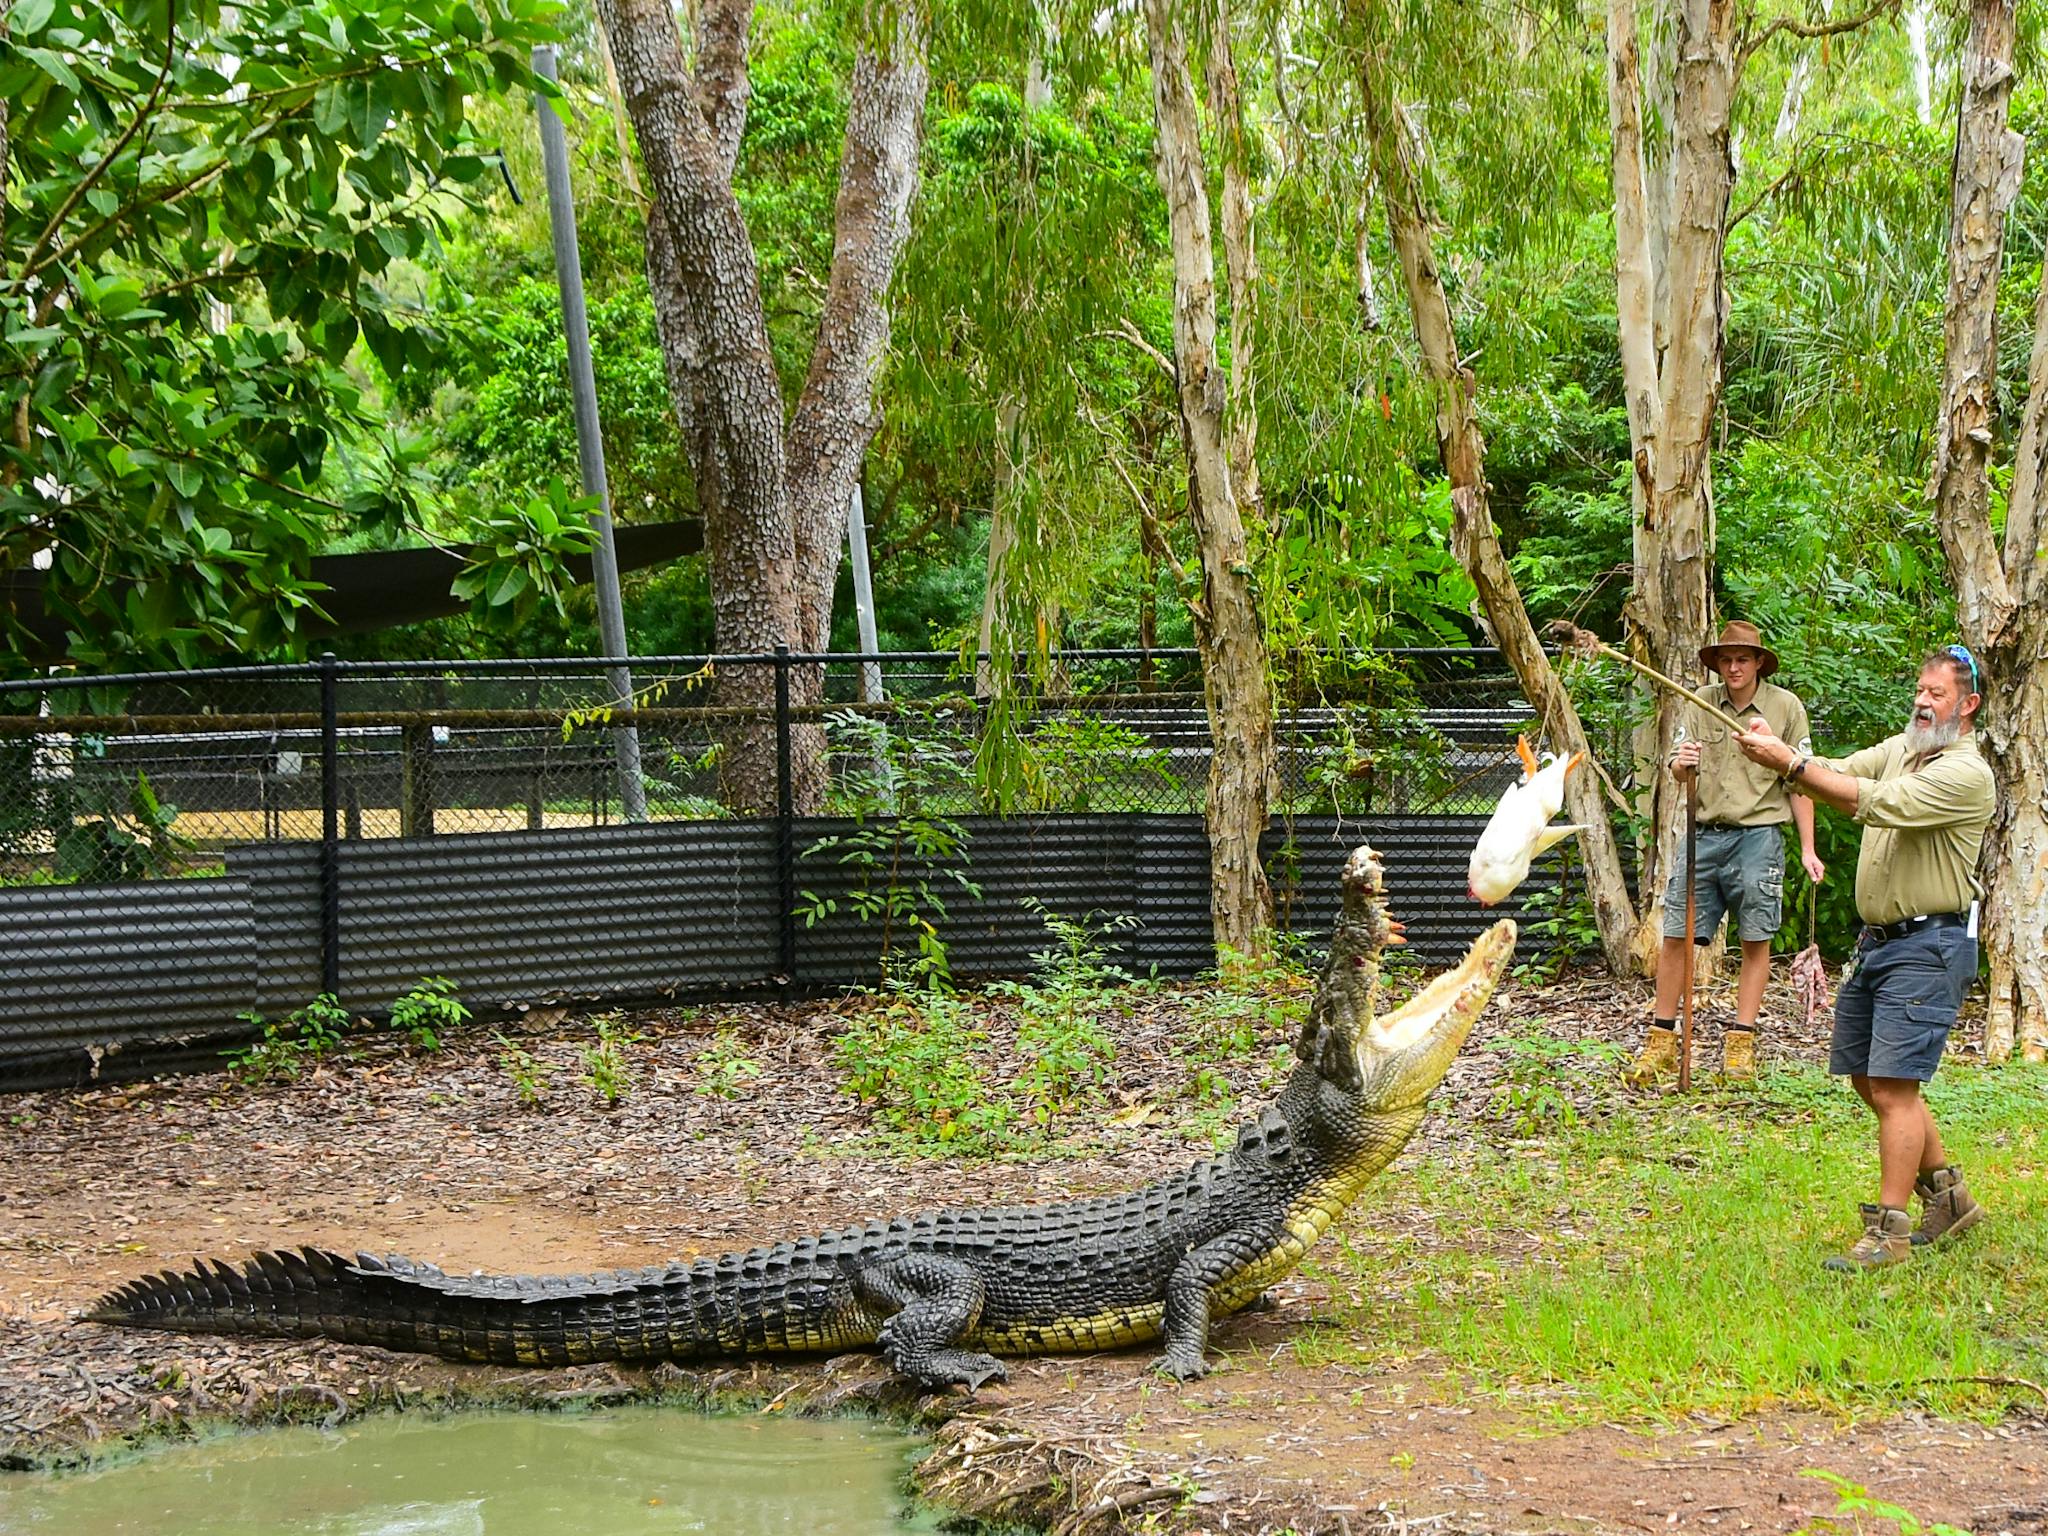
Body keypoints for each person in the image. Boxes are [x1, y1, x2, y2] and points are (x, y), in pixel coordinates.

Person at [1734, 645, 1995, 1272]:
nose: (1922, 701)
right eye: (1920, 690)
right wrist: (1781, 749)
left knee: (1893, 1086)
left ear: (1968, 705)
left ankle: (1889, 1232)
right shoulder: (1903, 749)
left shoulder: (1966, 773)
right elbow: (1837, 770)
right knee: (1864, 1074)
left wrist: (1789, 763)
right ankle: (1950, 1196)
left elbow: (1867, 800)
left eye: (1936, 694)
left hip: (1930, 945)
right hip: (1881, 942)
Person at [1624, 621, 1824, 1084]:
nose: (1734, 668)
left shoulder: (1785, 708)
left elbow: (1801, 780)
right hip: (1704, 834)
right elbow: (1677, 768)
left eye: (1742, 659)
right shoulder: (1700, 702)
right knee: (1677, 934)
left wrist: (1808, 849)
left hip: (1759, 836)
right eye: (1726, 660)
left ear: (1758, 663)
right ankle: (1661, 1039)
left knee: (1755, 937)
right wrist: (1682, 766)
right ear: (1717, 665)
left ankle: (1741, 1043)